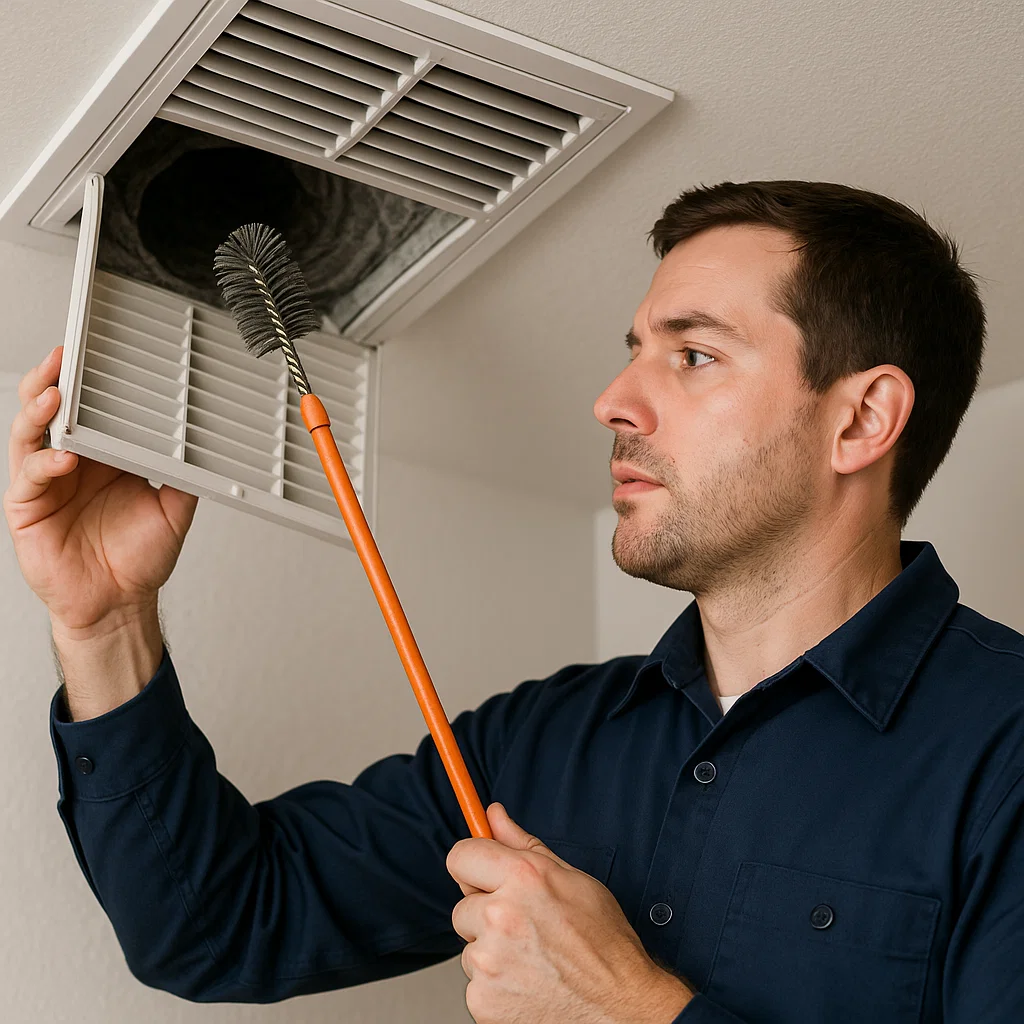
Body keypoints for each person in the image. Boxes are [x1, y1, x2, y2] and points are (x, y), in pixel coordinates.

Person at [5, 180, 1022, 1024]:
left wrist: (632, 1006)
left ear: (862, 419)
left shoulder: (1005, 746)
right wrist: (105, 623)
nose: (612, 399)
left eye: (693, 353)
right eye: (632, 348)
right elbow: (218, 921)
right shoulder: (544, 743)